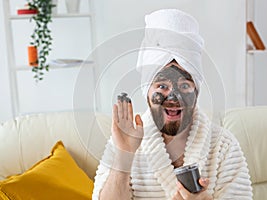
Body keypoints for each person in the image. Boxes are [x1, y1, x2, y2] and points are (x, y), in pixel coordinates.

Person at [93, 9, 252, 200]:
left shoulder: (224, 147)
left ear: (197, 91)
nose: (174, 97)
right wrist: (124, 156)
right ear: (147, 90)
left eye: (184, 85)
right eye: (162, 85)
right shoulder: (125, 142)